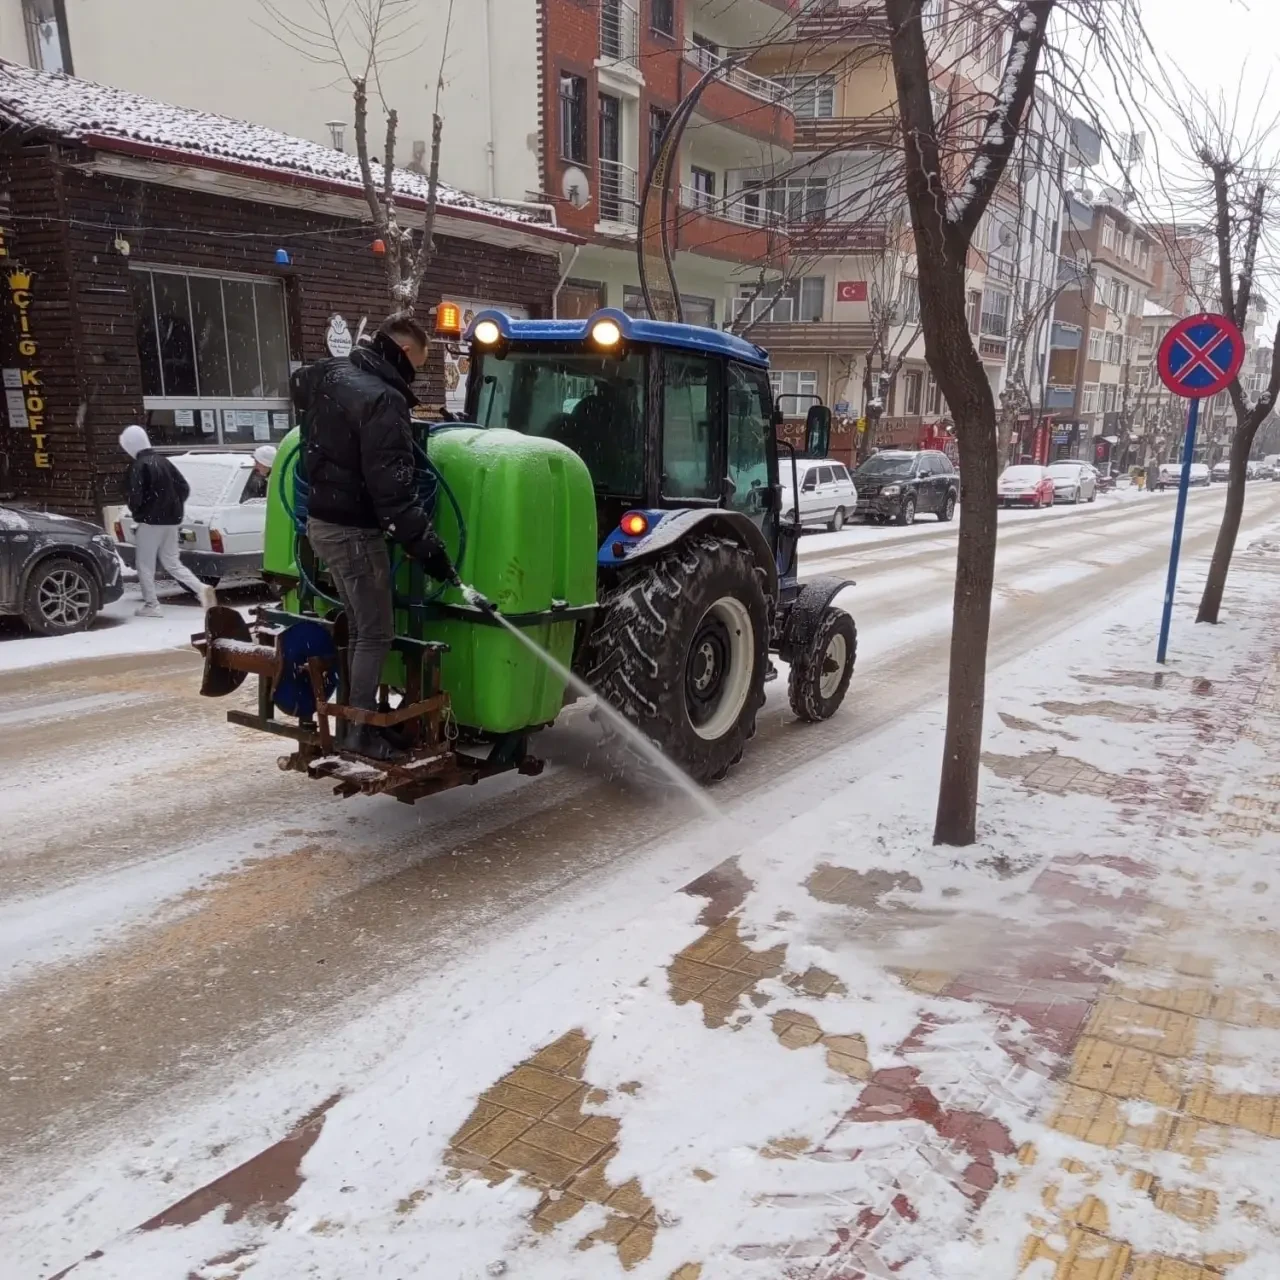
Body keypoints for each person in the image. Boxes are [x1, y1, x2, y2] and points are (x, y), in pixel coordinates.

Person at [292, 314, 456, 762]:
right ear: (403, 354)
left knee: (360, 627)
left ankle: (354, 718)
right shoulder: (383, 400)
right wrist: (429, 548)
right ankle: (360, 731)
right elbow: (395, 492)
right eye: (416, 366)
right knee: (374, 633)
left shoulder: (329, 374)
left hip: (321, 524)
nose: (413, 377)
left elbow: (303, 391)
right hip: (354, 533)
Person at [120, 424, 216, 618]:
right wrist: (173, 507)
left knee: (145, 565)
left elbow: (135, 496)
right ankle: (200, 588)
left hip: (149, 522)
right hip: (171, 520)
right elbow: (184, 487)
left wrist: (140, 512)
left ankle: (152, 605)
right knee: (171, 561)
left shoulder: (138, 466)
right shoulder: (164, 462)